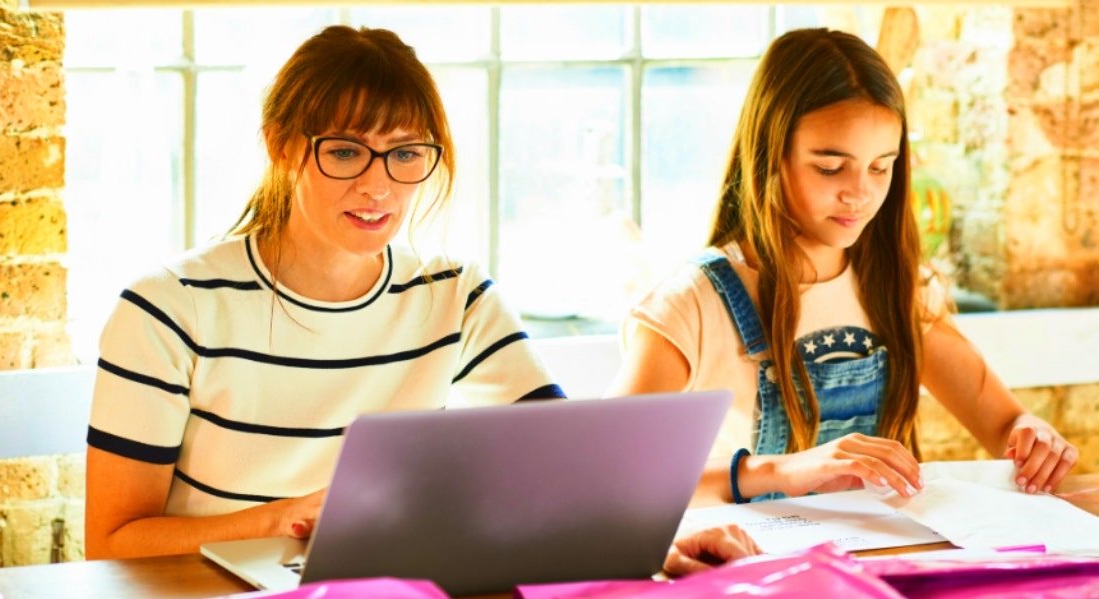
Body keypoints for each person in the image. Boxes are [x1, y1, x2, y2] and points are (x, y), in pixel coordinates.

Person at [84, 25, 566, 560]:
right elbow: (111, 542)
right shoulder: (170, 308)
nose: (377, 186)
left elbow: (567, 461)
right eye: (345, 152)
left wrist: (634, 535)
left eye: (405, 154)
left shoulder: (456, 295)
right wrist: (281, 519)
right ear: (281, 146)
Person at [607, 28, 1078, 504]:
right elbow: (607, 476)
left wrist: (1030, 433)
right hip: (744, 568)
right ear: (771, 154)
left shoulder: (898, 287)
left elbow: (1001, 422)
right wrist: (773, 470)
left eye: (880, 167)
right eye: (830, 167)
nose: (860, 193)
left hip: (872, 560)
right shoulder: (690, 305)